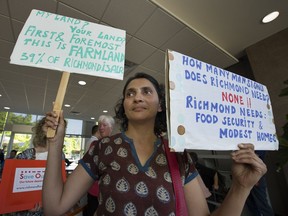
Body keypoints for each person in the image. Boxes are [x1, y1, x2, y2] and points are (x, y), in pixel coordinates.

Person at [43, 72, 267, 215]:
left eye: (146, 92)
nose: (137, 97)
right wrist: (55, 144)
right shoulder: (103, 148)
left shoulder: (178, 154)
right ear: (125, 105)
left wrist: (241, 187)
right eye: (130, 94)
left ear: (160, 105)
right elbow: (55, 207)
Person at [83, 115, 115, 216]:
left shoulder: (115, 144)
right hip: (95, 189)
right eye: (100, 125)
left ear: (111, 128)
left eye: (104, 125)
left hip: (108, 190)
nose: (101, 127)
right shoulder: (95, 145)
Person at [245, 151, 274, 216]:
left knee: (262, 203)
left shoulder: (258, 144)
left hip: (255, 175)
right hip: (248, 175)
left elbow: (254, 159)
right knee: (251, 203)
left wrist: (255, 178)